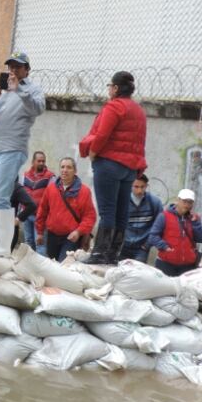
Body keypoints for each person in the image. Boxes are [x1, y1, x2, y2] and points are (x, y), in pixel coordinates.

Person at [0, 51, 46, 255]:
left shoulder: (32, 89)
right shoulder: (5, 89)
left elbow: (38, 109)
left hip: (14, 147)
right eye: (11, 67)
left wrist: (19, 90)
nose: (13, 71)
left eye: (17, 67)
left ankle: (2, 246)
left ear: (27, 69)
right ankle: (1, 244)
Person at [79, 71, 147, 264]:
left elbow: (102, 134)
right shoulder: (138, 110)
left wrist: (93, 153)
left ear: (116, 88)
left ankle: (99, 253)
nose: (109, 89)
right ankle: (113, 254)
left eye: (110, 86)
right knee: (121, 211)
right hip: (129, 168)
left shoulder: (114, 106)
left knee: (107, 211)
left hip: (109, 163)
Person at [35, 157, 97, 262]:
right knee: (52, 264)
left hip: (71, 237)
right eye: (62, 167)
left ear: (75, 171)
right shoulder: (51, 188)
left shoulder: (84, 191)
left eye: (69, 167)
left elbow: (90, 216)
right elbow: (42, 210)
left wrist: (78, 231)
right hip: (52, 235)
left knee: (63, 265)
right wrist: (40, 232)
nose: (65, 170)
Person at [148, 189, 202, 277]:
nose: (187, 205)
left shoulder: (194, 218)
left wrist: (195, 223)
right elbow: (153, 236)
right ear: (178, 200)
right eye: (184, 201)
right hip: (166, 264)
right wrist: (164, 247)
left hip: (188, 266)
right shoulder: (164, 216)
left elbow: (201, 239)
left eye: (190, 202)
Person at [0, 180, 36, 251]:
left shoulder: (15, 187)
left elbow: (31, 205)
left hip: (6, 232)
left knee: (2, 256)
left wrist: (18, 219)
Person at [119, 174, 165, 262]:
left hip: (142, 248)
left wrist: (147, 245)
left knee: (139, 270)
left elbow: (160, 226)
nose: (139, 190)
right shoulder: (122, 201)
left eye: (142, 187)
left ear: (146, 186)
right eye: (136, 187)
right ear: (130, 186)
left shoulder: (154, 202)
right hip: (123, 246)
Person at [22, 151, 55, 254]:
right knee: (28, 242)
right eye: (39, 161)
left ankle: (40, 263)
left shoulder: (50, 177)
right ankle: (29, 262)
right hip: (26, 214)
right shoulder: (25, 175)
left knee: (40, 244)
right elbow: (21, 194)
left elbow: (51, 197)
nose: (41, 163)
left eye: (43, 161)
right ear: (33, 162)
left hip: (40, 217)